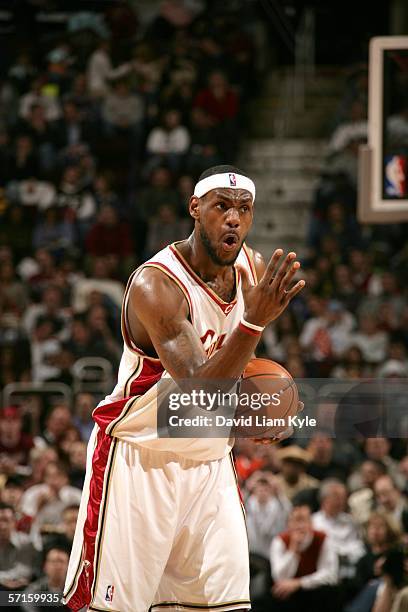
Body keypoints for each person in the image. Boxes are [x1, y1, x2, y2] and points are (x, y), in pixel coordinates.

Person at [63, 164, 305, 611]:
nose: (233, 218)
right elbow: (199, 388)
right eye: (222, 206)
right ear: (195, 208)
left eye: (244, 209)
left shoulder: (251, 269)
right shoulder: (157, 284)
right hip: (140, 460)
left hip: (210, 463)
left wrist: (264, 410)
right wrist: (253, 322)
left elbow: (237, 370)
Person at [269, 504, 339, 610]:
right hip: (289, 597)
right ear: (288, 524)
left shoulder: (323, 539)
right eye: (295, 521)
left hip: (315, 594)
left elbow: (330, 574)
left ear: (311, 523)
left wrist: (299, 583)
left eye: (303, 520)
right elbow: (279, 577)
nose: (300, 526)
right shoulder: (279, 541)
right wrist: (293, 550)